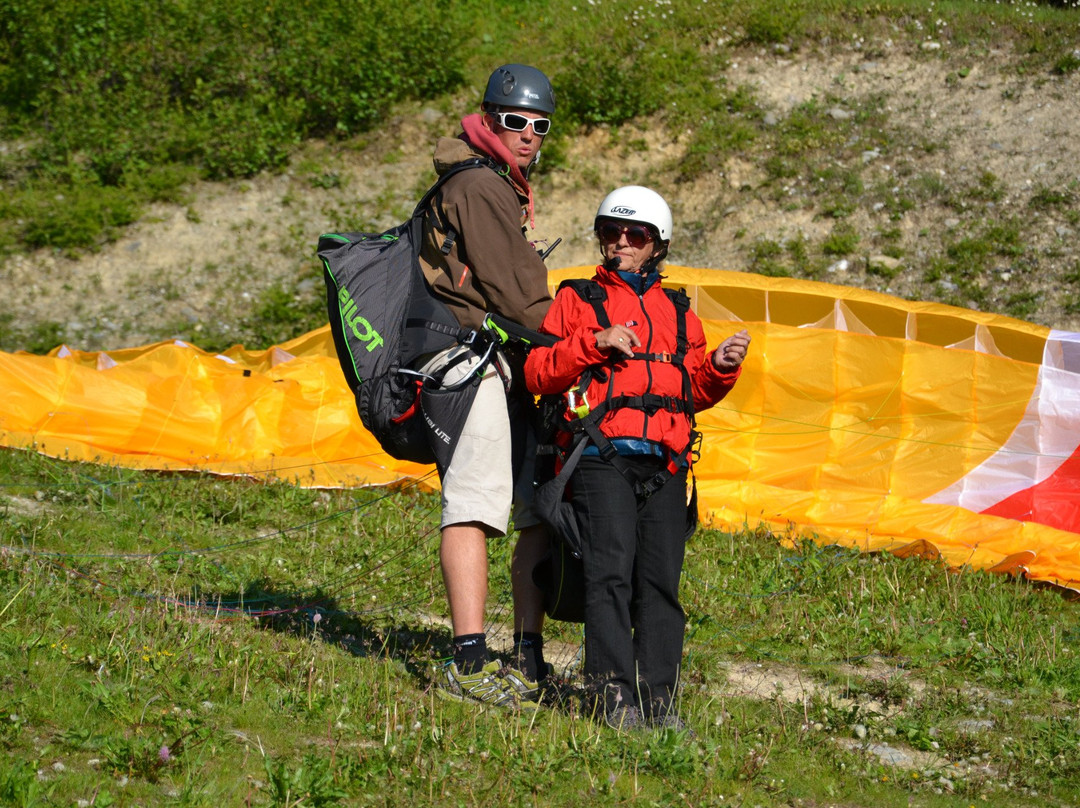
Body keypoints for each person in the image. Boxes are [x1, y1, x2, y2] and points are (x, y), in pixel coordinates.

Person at [523, 186, 750, 730]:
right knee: (608, 576)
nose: (620, 242)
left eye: (635, 235)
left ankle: (659, 701)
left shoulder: (680, 312)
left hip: (667, 465)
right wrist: (594, 343)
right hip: (600, 456)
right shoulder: (576, 299)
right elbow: (538, 372)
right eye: (610, 231)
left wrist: (718, 366)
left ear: (657, 245)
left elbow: (690, 389)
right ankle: (611, 697)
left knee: (659, 586)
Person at [417, 64, 556, 706]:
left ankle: (527, 657)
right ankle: (469, 662)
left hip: (502, 360)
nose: (527, 134)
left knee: (529, 504)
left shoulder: (497, 181)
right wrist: (584, 338)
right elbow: (524, 300)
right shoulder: (477, 185)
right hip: (465, 356)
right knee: (474, 501)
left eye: (540, 125)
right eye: (515, 121)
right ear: (488, 118)